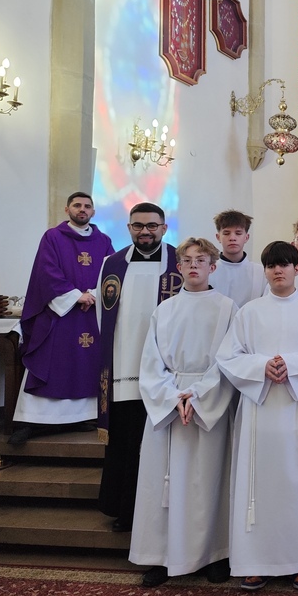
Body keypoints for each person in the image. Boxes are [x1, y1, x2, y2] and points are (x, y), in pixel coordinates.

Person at [217, 241, 298, 591]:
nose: (278, 271)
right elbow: (228, 356)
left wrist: (292, 365)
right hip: (260, 410)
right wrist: (262, 366)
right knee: (258, 485)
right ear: (265, 271)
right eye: (271, 265)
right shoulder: (249, 312)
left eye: (284, 264)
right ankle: (255, 562)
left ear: (296, 269)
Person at [130, 237, 237, 588]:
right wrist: (172, 398)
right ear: (178, 267)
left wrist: (198, 395)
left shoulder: (228, 308)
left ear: (212, 266)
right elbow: (151, 363)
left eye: (201, 260)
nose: (194, 265)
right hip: (170, 403)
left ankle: (213, 555)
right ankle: (162, 557)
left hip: (207, 404)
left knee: (207, 481)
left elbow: (229, 360)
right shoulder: (164, 310)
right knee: (164, 484)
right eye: (187, 260)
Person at [97, 202, 181, 533]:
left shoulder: (180, 261)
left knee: (159, 446)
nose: (145, 231)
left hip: (166, 372)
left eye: (151, 226)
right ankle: (124, 511)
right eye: (138, 226)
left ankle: (164, 514)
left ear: (164, 228)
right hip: (124, 370)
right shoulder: (112, 264)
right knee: (124, 442)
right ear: (129, 228)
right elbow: (102, 317)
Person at [10, 192, 115, 445]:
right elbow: (46, 271)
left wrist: (93, 294)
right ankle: (35, 420)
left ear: (93, 212)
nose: (82, 209)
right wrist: (76, 296)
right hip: (60, 313)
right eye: (77, 205)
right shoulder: (53, 237)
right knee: (51, 358)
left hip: (93, 313)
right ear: (67, 209)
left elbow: (112, 272)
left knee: (90, 361)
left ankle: (86, 417)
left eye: (87, 206)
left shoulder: (104, 240)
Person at [208, 209, 265, 307]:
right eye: (226, 233)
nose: (232, 238)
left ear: (246, 237)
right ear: (218, 237)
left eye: (238, 233)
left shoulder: (260, 272)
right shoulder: (208, 271)